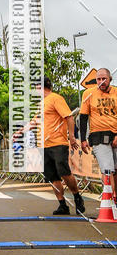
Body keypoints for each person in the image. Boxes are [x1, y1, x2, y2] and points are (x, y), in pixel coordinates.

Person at [39, 77, 84, 215]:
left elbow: (69, 117)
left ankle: (77, 197)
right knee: (52, 177)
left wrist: (72, 137)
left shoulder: (56, 99)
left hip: (58, 143)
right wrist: (20, 132)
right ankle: (62, 205)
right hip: (44, 145)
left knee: (64, 172)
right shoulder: (41, 104)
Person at [80, 67, 117, 202]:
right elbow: (83, 117)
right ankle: (109, 201)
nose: (101, 82)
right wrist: (83, 140)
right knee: (107, 169)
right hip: (98, 136)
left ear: (110, 79)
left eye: (104, 79)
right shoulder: (88, 93)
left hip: (115, 133)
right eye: (98, 79)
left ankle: (115, 197)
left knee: (115, 170)